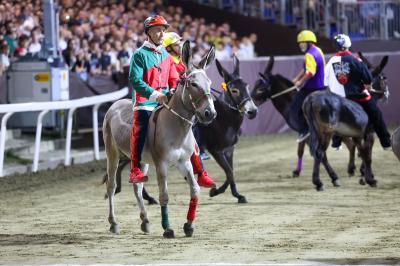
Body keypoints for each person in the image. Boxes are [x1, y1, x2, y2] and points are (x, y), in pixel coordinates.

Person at [128, 16, 215, 188]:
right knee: (140, 125)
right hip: (145, 101)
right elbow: (135, 80)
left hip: (165, 100)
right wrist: (155, 95)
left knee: (187, 126)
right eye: (157, 30)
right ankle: (135, 169)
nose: (161, 34)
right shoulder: (139, 55)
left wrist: (174, 92)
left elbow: (174, 79)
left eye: (163, 30)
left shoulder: (166, 56)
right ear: (149, 33)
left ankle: (200, 172)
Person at [162, 31, 215, 187]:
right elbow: (163, 80)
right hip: (165, 99)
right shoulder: (165, 60)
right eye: (177, 44)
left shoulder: (181, 61)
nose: (179, 46)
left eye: (180, 43)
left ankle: (200, 171)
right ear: (169, 47)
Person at [324, 33, 392, 150]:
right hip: (357, 98)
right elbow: (368, 79)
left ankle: (336, 143)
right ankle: (386, 143)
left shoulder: (329, 63)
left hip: (338, 100)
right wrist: (368, 85)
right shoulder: (356, 60)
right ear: (348, 45)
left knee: (335, 115)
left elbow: (326, 83)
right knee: (376, 114)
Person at [291, 30, 326, 142]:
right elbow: (307, 68)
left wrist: (300, 82)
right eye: (300, 43)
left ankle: (304, 130)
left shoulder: (309, 54)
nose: (300, 44)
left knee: (293, 109)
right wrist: (297, 77)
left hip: (312, 88)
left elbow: (310, 72)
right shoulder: (318, 50)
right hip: (323, 86)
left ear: (309, 42)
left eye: (303, 42)